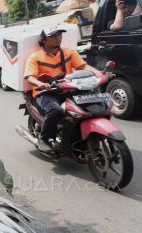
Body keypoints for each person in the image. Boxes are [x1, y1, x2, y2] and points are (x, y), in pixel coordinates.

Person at [23, 25, 103, 153]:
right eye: (53, 36)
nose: (57, 38)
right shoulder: (35, 57)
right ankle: (45, 139)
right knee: (56, 111)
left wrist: (100, 74)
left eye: (59, 35)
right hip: (46, 93)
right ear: (44, 39)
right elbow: (30, 77)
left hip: (68, 89)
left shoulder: (69, 52)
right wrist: (40, 84)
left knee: (90, 104)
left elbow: (83, 67)